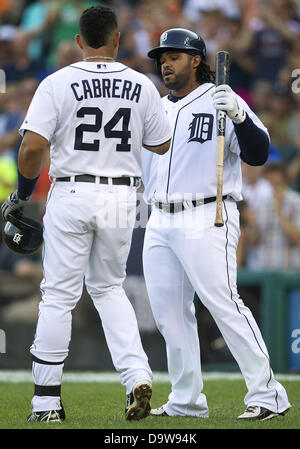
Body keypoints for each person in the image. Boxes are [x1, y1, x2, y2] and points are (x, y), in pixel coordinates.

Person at [1, 5, 171, 423]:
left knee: (58, 295)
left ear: (78, 41)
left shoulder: (57, 82)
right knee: (110, 289)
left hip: (73, 190)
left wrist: (22, 196)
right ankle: (137, 376)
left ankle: (45, 403)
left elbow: (31, 148)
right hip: (120, 197)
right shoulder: (142, 84)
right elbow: (162, 145)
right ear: (117, 40)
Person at [142, 28, 290, 420]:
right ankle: (187, 400)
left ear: (195, 59)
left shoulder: (221, 98)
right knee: (170, 314)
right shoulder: (158, 107)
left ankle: (268, 394)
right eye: (162, 57)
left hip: (208, 212)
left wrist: (239, 114)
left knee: (224, 304)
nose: (165, 63)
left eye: (174, 56)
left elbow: (258, 154)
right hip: (159, 217)